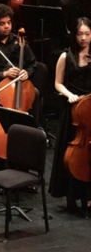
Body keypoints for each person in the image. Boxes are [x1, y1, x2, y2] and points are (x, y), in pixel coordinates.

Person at [49, 17, 91, 211]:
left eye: (87, 34)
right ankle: (71, 195)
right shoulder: (66, 56)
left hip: (89, 109)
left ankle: (87, 195)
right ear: (74, 35)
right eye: (80, 34)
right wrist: (70, 95)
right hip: (72, 110)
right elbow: (58, 83)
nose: (84, 38)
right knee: (70, 152)